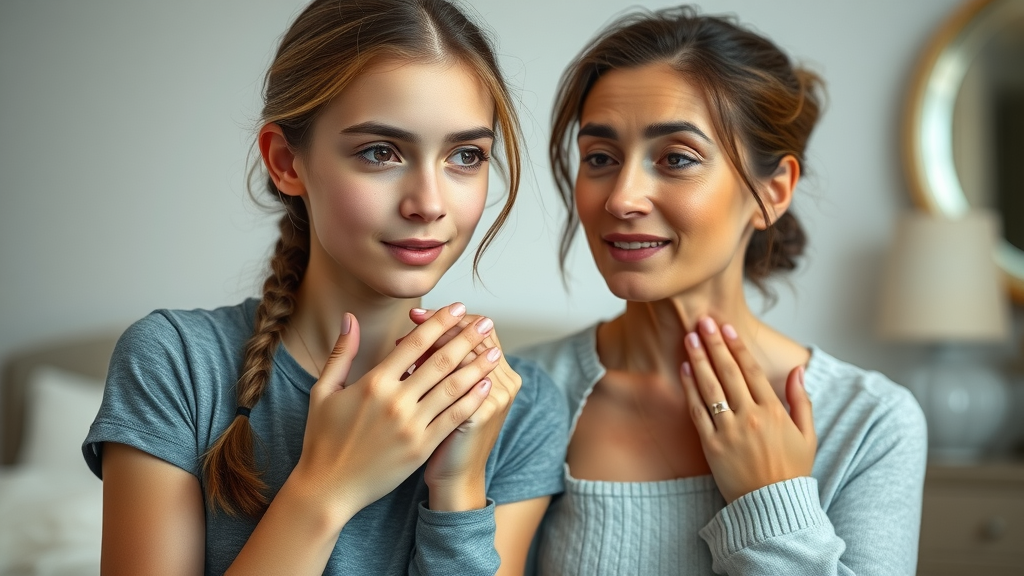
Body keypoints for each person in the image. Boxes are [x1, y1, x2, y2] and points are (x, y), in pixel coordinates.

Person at [82, 1, 567, 574]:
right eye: (380, 152)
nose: (430, 204)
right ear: (287, 161)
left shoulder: (518, 406)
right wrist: (329, 486)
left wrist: (458, 489)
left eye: (466, 156)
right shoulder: (179, 364)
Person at [518, 6, 928, 575]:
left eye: (677, 158)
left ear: (771, 192)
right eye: (601, 158)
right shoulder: (518, 393)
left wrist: (772, 501)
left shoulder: (868, 422)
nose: (621, 198)